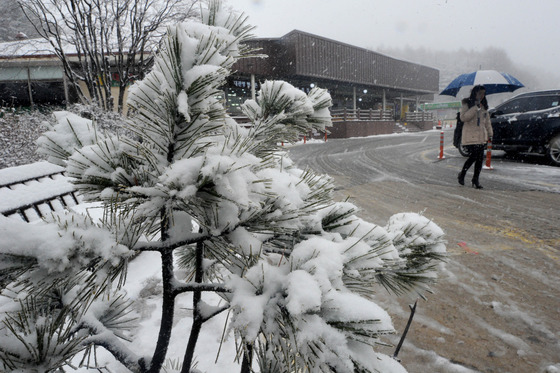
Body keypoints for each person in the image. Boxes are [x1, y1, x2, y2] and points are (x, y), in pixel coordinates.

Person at [457, 85, 493, 189]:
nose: (482, 95)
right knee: (474, 156)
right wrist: (475, 108)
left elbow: (487, 122)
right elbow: (463, 118)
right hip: (470, 136)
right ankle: (462, 174)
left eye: (483, 93)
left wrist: (490, 134)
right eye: (480, 93)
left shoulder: (484, 106)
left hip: (481, 137)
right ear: (475, 93)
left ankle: (475, 179)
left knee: (479, 159)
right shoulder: (467, 104)